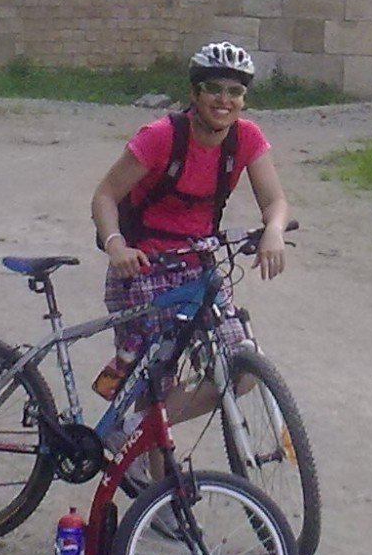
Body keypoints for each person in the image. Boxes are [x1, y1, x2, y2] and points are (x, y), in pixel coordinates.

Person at [87, 41, 290, 432]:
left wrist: (274, 231)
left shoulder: (245, 138)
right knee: (154, 383)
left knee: (241, 370)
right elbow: (106, 195)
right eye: (214, 88)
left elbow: (275, 199)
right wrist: (116, 245)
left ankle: (134, 437)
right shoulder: (161, 136)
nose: (224, 99)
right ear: (194, 94)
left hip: (199, 270)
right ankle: (149, 463)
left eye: (235, 92)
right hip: (144, 267)